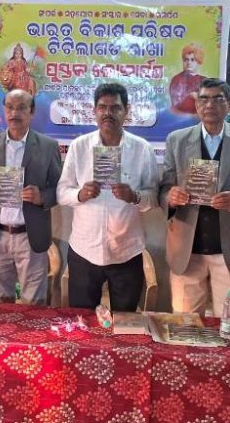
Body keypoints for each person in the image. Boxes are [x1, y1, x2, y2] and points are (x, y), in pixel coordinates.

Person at [160, 78, 230, 319]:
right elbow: (164, 190)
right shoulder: (177, 140)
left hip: (229, 251)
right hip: (187, 251)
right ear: (197, 105)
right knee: (185, 325)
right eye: (204, 99)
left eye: (218, 99)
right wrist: (171, 197)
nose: (210, 105)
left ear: (229, 105)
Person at [57, 82, 159, 311]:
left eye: (115, 108)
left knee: (124, 321)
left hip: (126, 252)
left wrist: (134, 196)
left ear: (126, 111)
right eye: (102, 107)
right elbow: (62, 193)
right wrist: (80, 194)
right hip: (84, 251)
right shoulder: (79, 146)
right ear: (94, 111)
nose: (108, 113)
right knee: (82, 320)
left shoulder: (142, 149)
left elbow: (154, 198)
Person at [0, 89, 61, 305]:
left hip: (30, 237)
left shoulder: (48, 146)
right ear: (4, 111)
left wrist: (41, 197)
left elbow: (59, 189)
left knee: (33, 305)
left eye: (21, 108)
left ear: (32, 112)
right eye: (10, 108)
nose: (14, 113)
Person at [169, 42, 206, 114]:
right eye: (186, 59)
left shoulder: (204, 80)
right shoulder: (177, 79)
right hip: (181, 117)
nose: (189, 63)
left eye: (192, 60)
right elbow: (176, 103)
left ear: (198, 61)